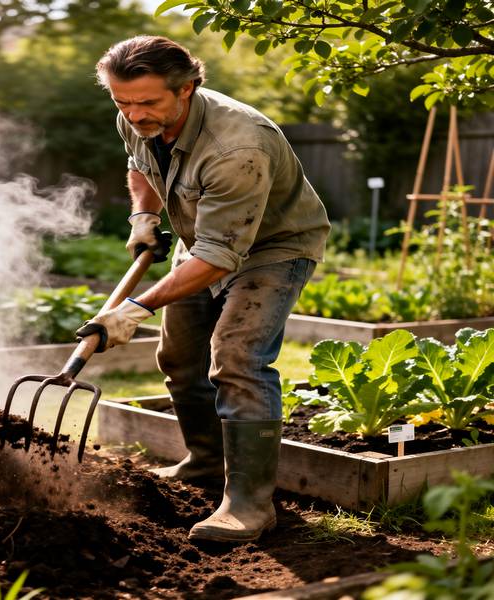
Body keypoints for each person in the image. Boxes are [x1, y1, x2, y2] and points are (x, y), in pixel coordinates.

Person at [75, 36, 330, 543]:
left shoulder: (238, 146)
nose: (134, 113)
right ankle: (207, 461)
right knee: (180, 357)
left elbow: (220, 258)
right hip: (204, 241)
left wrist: (132, 309)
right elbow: (140, 164)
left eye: (148, 102)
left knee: (236, 357)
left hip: (273, 248)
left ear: (187, 88)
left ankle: (251, 504)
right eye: (122, 101)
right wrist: (143, 214)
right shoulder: (136, 115)